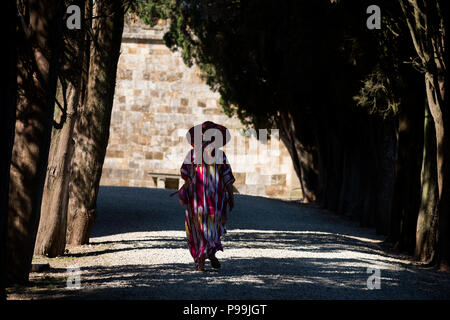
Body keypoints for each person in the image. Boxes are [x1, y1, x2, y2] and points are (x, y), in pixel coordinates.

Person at [180, 121, 235, 271]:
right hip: (210, 200)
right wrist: (231, 197)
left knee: (200, 227)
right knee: (207, 227)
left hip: (201, 200)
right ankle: (207, 255)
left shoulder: (193, 155)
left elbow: (185, 175)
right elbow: (227, 178)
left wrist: (231, 196)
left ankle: (202, 260)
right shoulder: (218, 155)